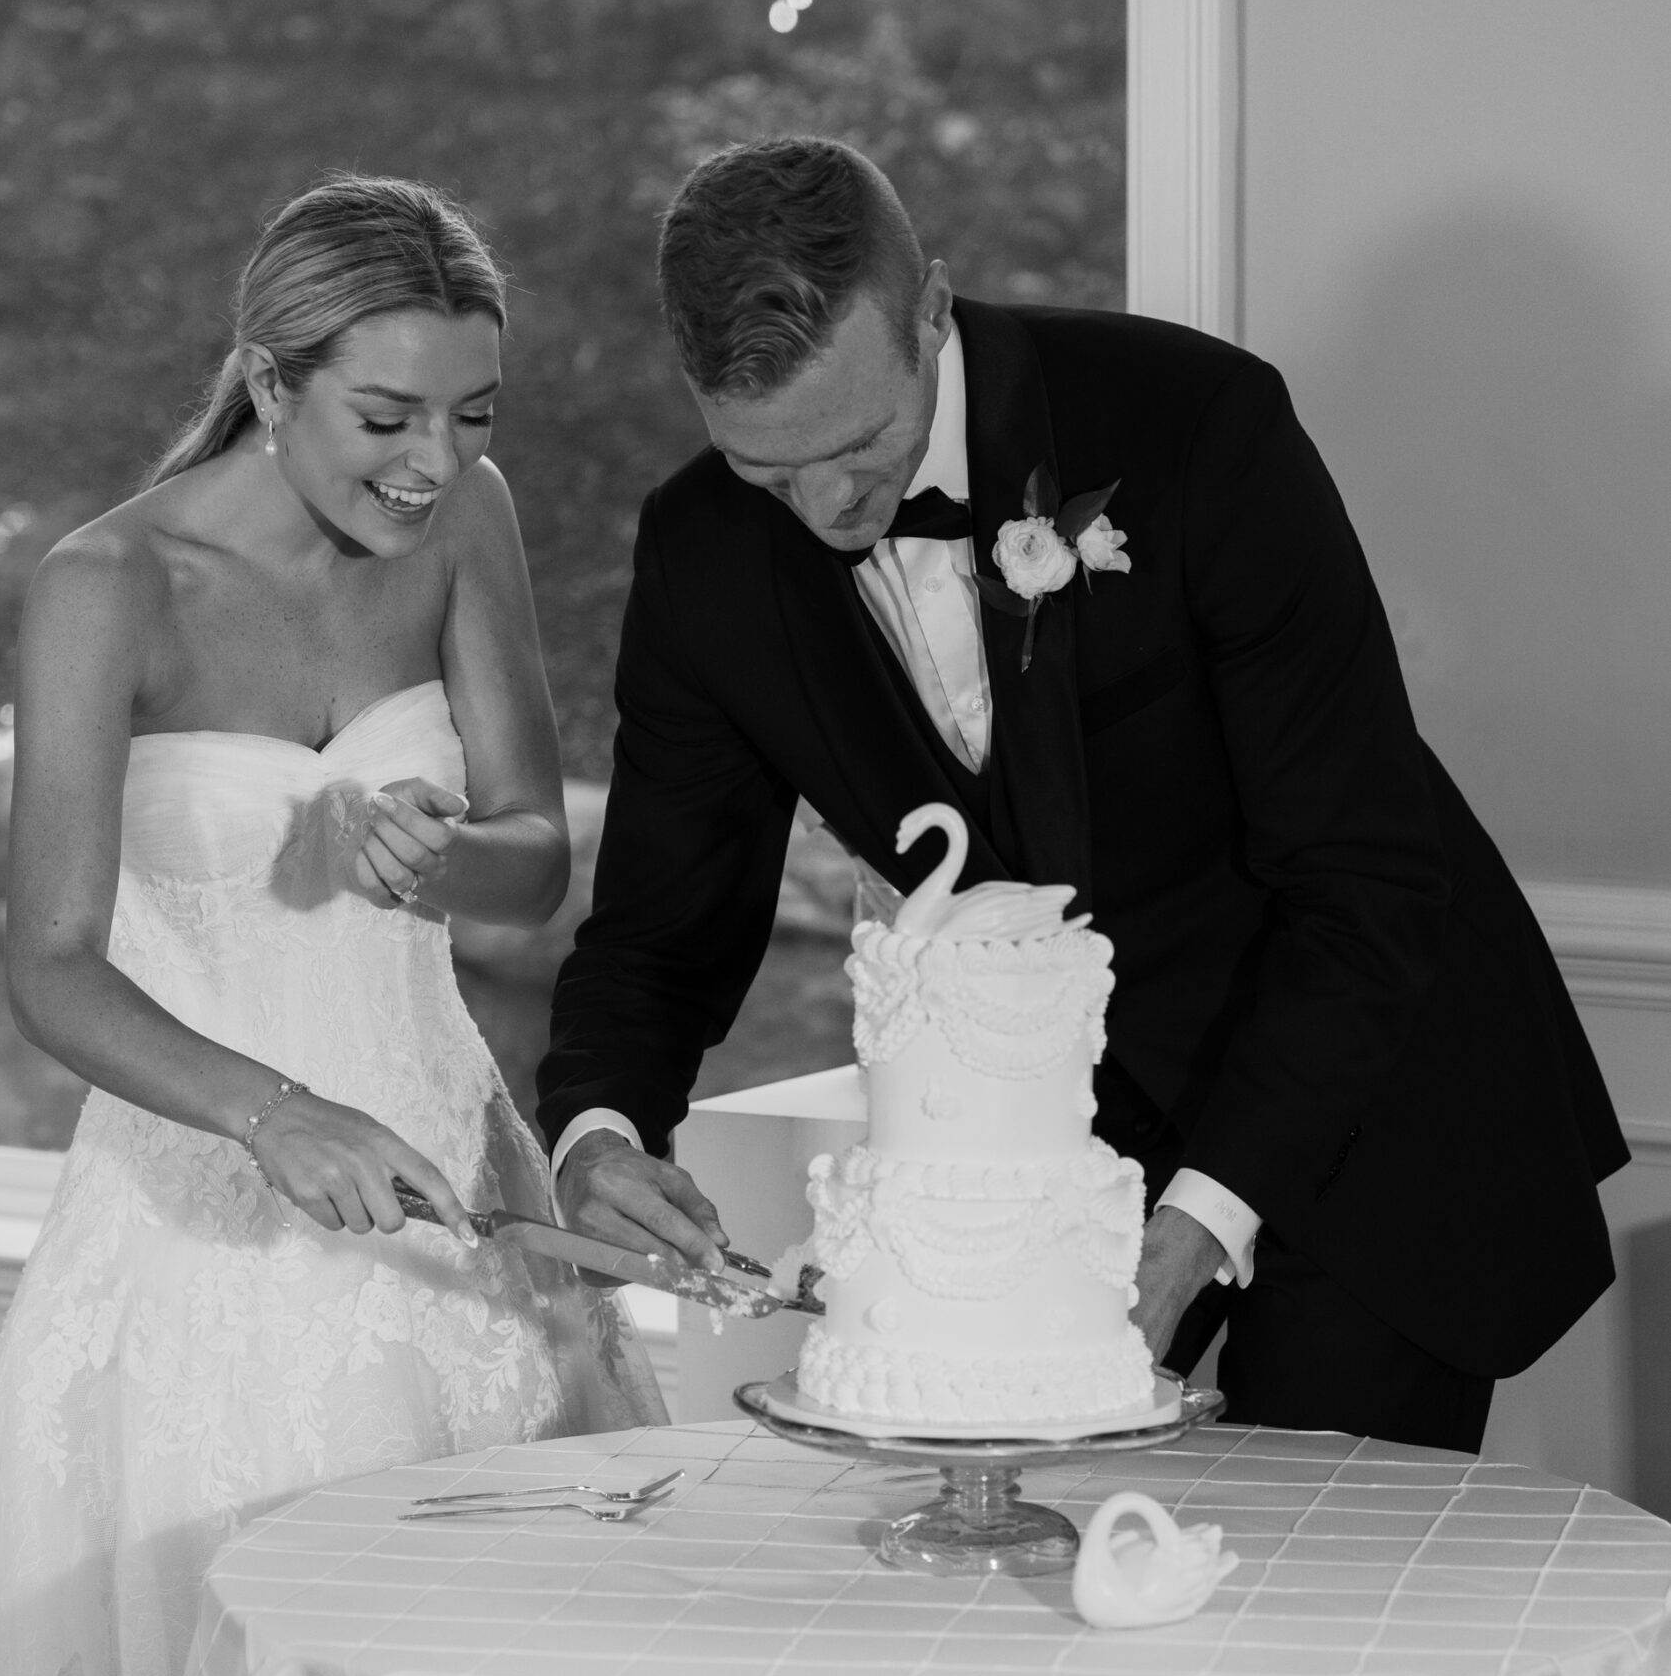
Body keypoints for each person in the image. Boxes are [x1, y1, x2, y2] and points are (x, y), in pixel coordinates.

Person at [0, 174, 663, 1676]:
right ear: (266, 375)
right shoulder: (106, 585)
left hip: (466, 1222)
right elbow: (52, 961)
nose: (430, 462)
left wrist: (432, 860)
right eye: (386, 418)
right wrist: (271, 1114)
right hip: (203, 1240)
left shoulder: (465, 525)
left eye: (471, 418)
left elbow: (532, 862)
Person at [540, 135, 1625, 1453]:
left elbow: (1364, 874)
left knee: (1296, 1596)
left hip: (1360, 1097)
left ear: (931, 304)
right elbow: (663, 927)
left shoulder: (1190, 424)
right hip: (1057, 1158)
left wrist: (1197, 1224)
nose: (826, 508)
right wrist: (597, 1136)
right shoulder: (702, 556)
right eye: (769, 473)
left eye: (858, 444)